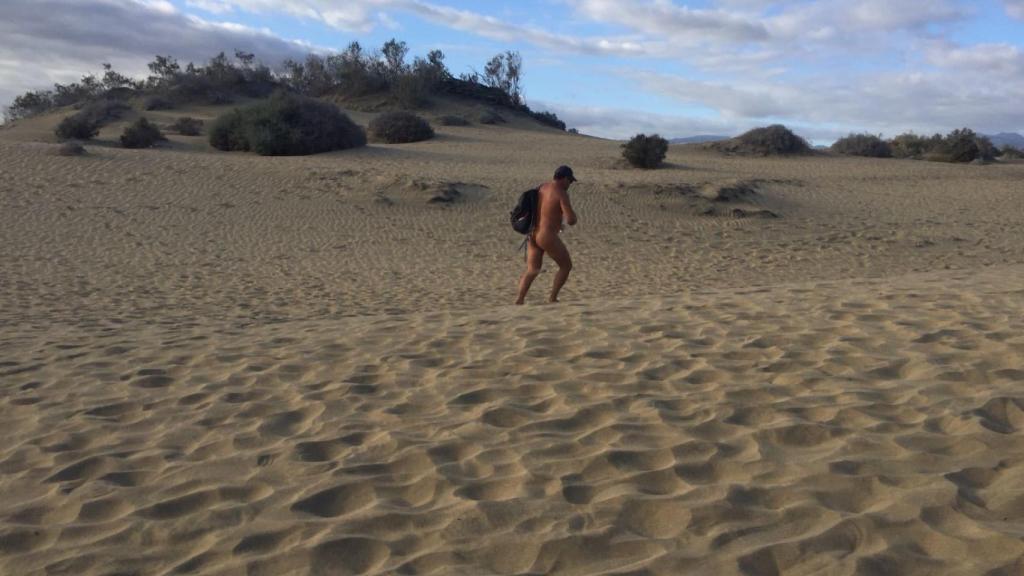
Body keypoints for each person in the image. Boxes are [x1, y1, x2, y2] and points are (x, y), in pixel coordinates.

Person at [515, 165, 578, 304]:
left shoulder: (542, 187)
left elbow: (544, 212)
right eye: (570, 181)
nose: (570, 184)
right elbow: (571, 220)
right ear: (564, 178)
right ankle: (553, 298)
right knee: (566, 266)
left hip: (532, 234)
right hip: (546, 235)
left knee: (532, 269)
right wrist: (573, 216)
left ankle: (519, 299)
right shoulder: (561, 193)